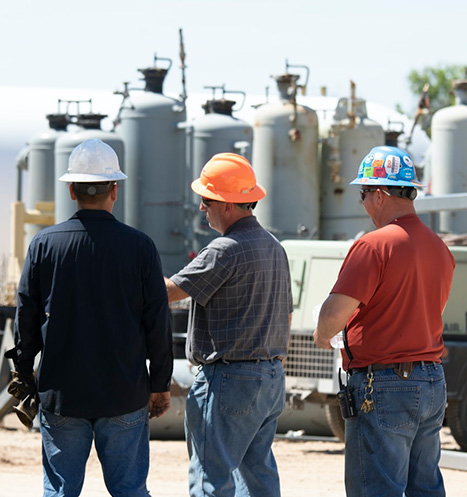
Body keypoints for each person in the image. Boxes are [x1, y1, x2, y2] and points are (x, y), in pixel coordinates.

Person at [6, 138, 173, 497]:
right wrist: (159, 383)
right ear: (115, 189)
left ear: (71, 190)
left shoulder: (44, 245)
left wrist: (23, 373)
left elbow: (27, 318)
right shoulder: (140, 247)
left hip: (62, 393)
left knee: (60, 490)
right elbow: (157, 322)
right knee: (130, 490)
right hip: (124, 393)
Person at [314, 145, 455, 497]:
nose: (362, 204)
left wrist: (322, 335)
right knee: (425, 486)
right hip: (431, 379)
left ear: (378, 195)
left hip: (386, 382)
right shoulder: (439, 247)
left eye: (363, 194)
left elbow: (334, 315)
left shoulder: (374, 246)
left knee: (375, 488)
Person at [165, 153, 293, 497]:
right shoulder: (274, 247)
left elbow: (168, 292)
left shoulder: (224, 249)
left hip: (229, 379)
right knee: (258, 475)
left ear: (226, 205)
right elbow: (287, 316)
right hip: (270, 378)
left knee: (211, 478)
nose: (202, 209)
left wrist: (124, 272)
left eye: (206, 201)